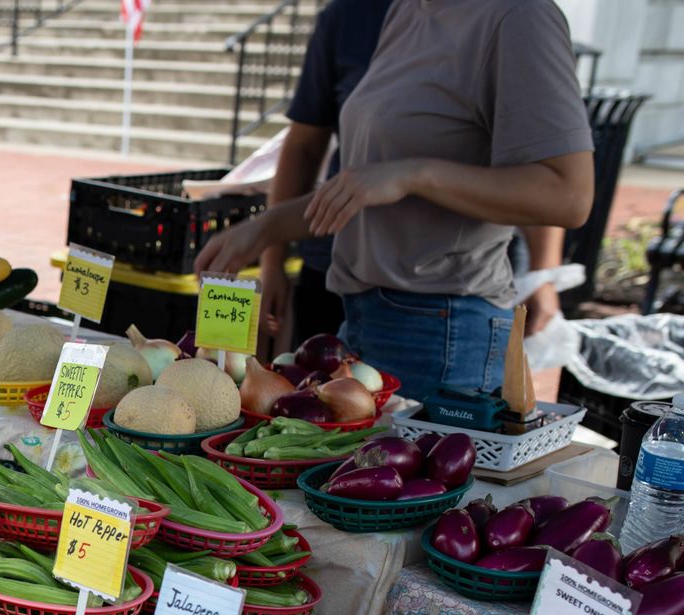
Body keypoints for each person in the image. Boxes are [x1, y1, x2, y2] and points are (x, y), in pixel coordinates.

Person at [196, 0, 594, 401]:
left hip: (442, 333)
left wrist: (416, 175)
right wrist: (266, 229)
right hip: (361, 320)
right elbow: (366, 187)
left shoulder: (519, 17)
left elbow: (569, 196)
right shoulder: (405, 10)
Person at [258, 0, 394, 349]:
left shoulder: (496, 18)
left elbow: (541, 170)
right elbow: (303, 144)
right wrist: (273, 258)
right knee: (310, 392)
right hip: (330, 265)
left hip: (426, 293)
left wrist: (542, 271)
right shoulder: (346, 16)